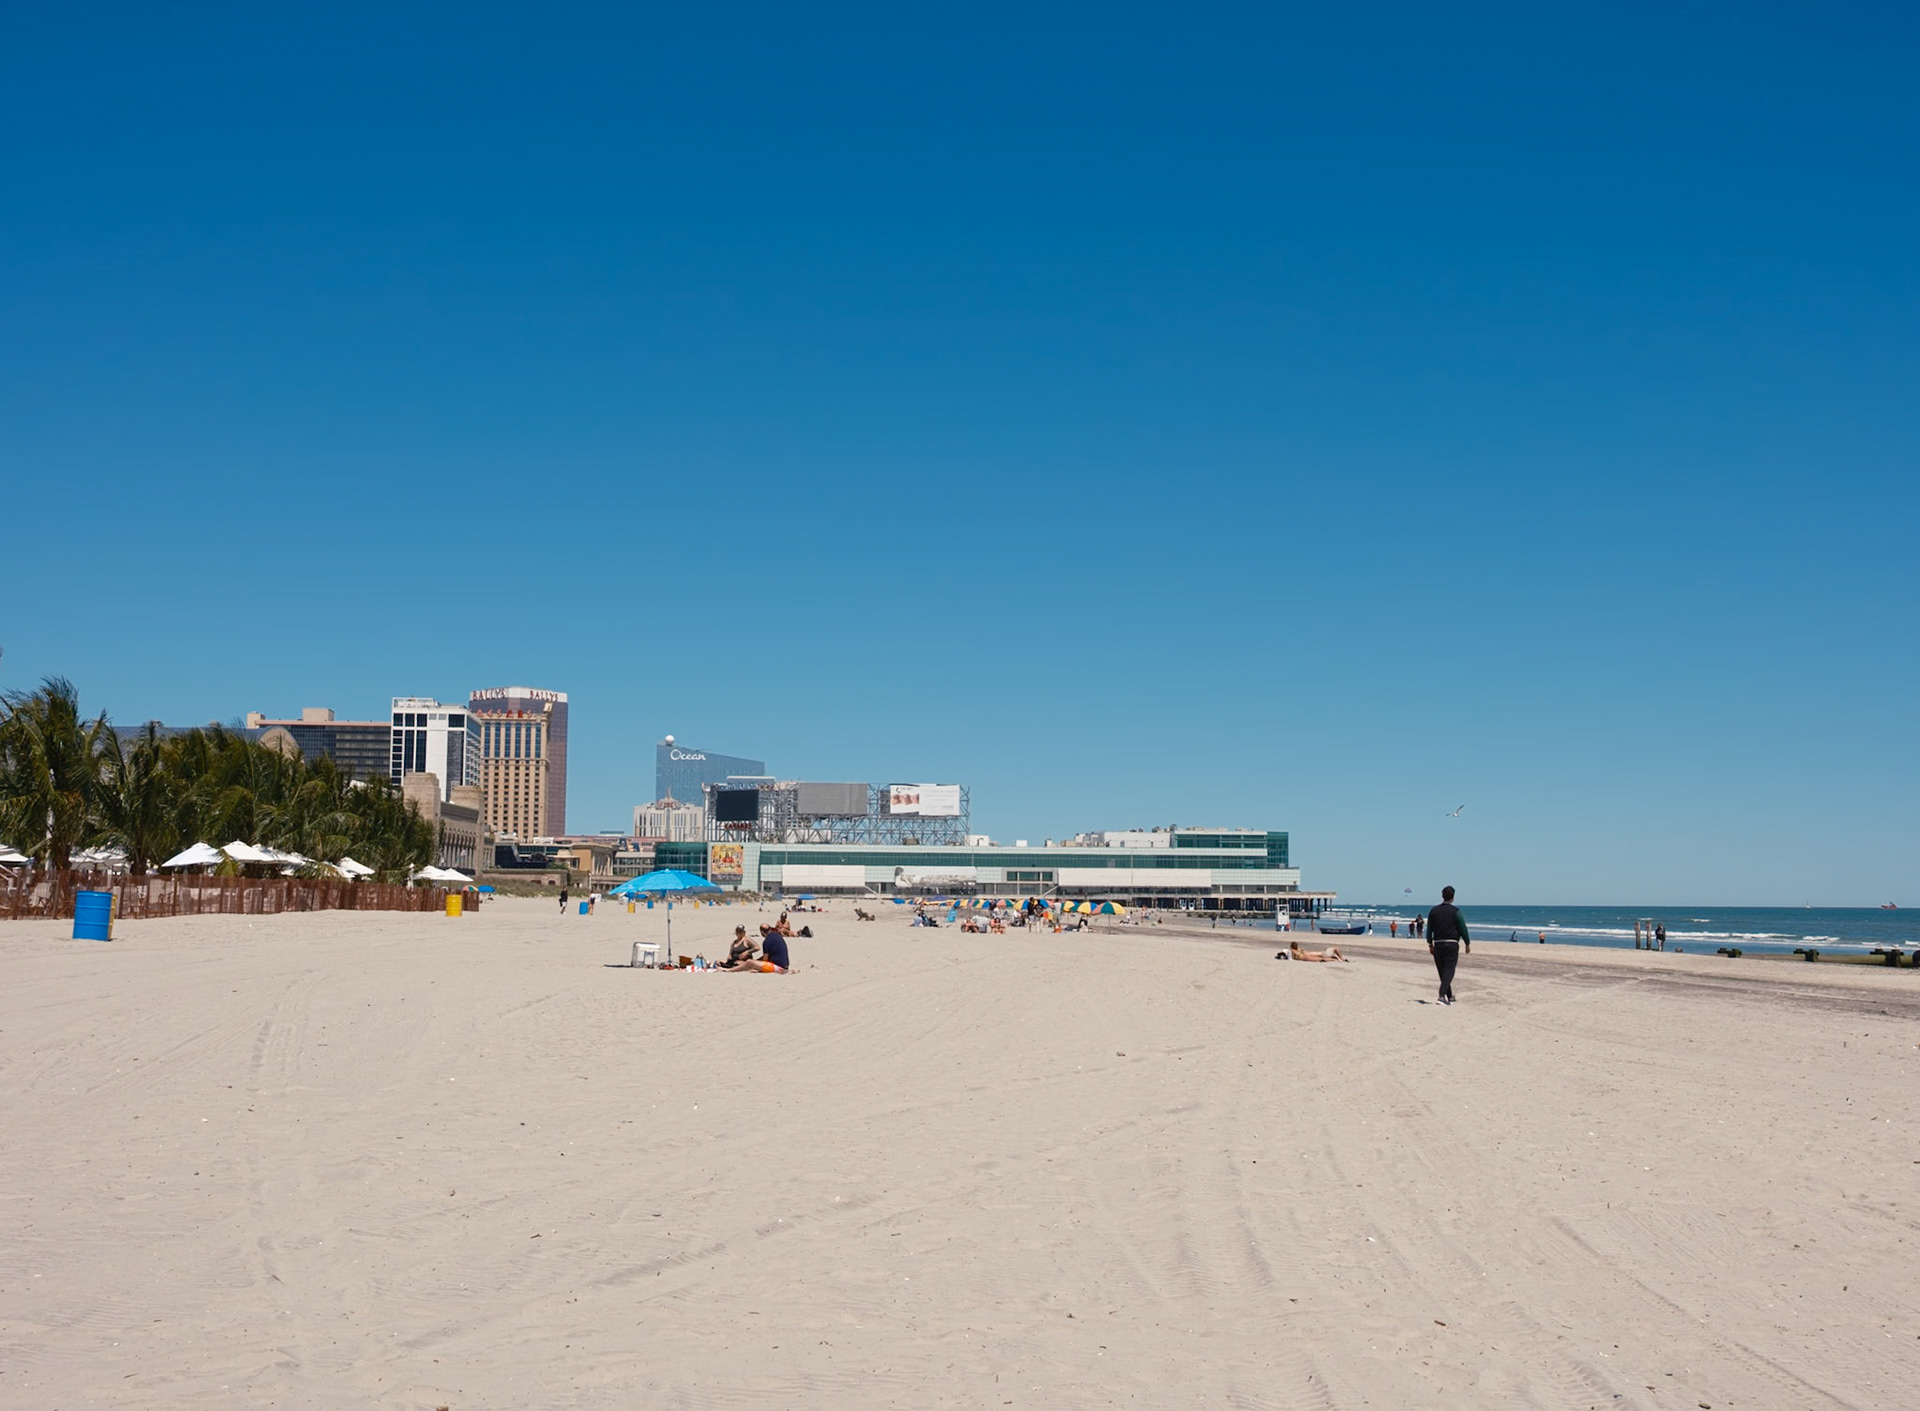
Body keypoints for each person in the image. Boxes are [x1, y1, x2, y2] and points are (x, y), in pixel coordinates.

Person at [1426, 885, 1470, 1004]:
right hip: (1451, 943)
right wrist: (1467, 943)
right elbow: (1462, 928)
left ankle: (1449, 996)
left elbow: (1429, 929)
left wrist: (1430, 943)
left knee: (1442, 970)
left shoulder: (1433, 911)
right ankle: (1441, 996)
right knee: (1449, 970)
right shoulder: (1456, 911)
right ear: (1453, 897)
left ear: (1442, 896)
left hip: (1438, 943)